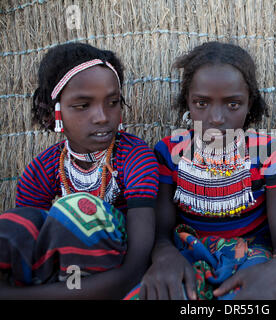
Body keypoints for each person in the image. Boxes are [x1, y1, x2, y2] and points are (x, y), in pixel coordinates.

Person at [126, 42, 276, 300]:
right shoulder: (169, 152)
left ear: (250, 103)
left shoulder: (269, 152)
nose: (216, 117)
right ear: (187, 101)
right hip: (187, 254)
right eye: (201, 103)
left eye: (232, 104)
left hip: (252, 258)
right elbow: (161, 232)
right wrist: (165, 256)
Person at [0, 43, 159, 299]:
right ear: (54, 113)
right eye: (83, 105)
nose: (101, 117)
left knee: (78, 210)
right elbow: (28, 243)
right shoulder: (42, 169)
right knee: (12, 225)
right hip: (62, 275)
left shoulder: (135, 157)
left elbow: (136, 267)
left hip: (119, 273)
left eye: (113, 102)